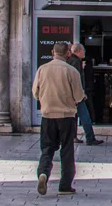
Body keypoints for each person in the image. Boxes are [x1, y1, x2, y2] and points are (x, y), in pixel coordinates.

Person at [31, 42, 85, 196]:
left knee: (47, 149)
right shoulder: (71, 71)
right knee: (67, 150)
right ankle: (65, 185)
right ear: (68, 53)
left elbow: (35, 92)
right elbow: (79, 96)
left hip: (48, 116)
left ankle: (43, 173)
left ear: (52, 52)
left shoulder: (42, 69)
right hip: (66, 116)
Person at [67, 44, 104, 146]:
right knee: (85, 117)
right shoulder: (76, 62)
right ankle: (90, 138)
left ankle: (73, 136)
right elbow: (76, 80)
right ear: (78, 51)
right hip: (77, 96)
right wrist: (81, 93)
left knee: (74, 117)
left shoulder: (70, 61)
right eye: (83, 51)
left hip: (71, 95)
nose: (84, 53)